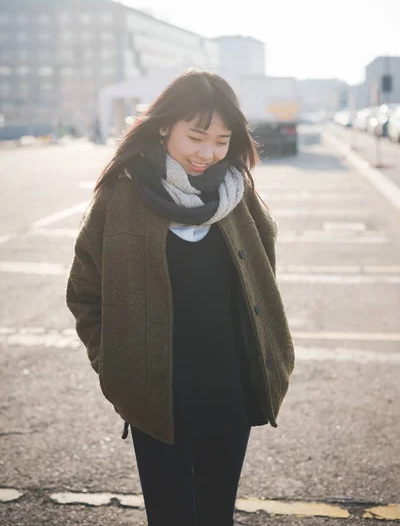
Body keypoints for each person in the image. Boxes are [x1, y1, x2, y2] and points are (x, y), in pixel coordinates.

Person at [66, 68, 295, 526]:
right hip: (156, 394)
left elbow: (263, 276)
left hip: (232, 389)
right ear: (165, 125)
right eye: (197, 136)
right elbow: (85, 293)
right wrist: (115, 362)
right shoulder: (123, 192)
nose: (208, 153)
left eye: (222, 140)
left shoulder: (237, 193)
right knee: (169, 517)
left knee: (215, 516)